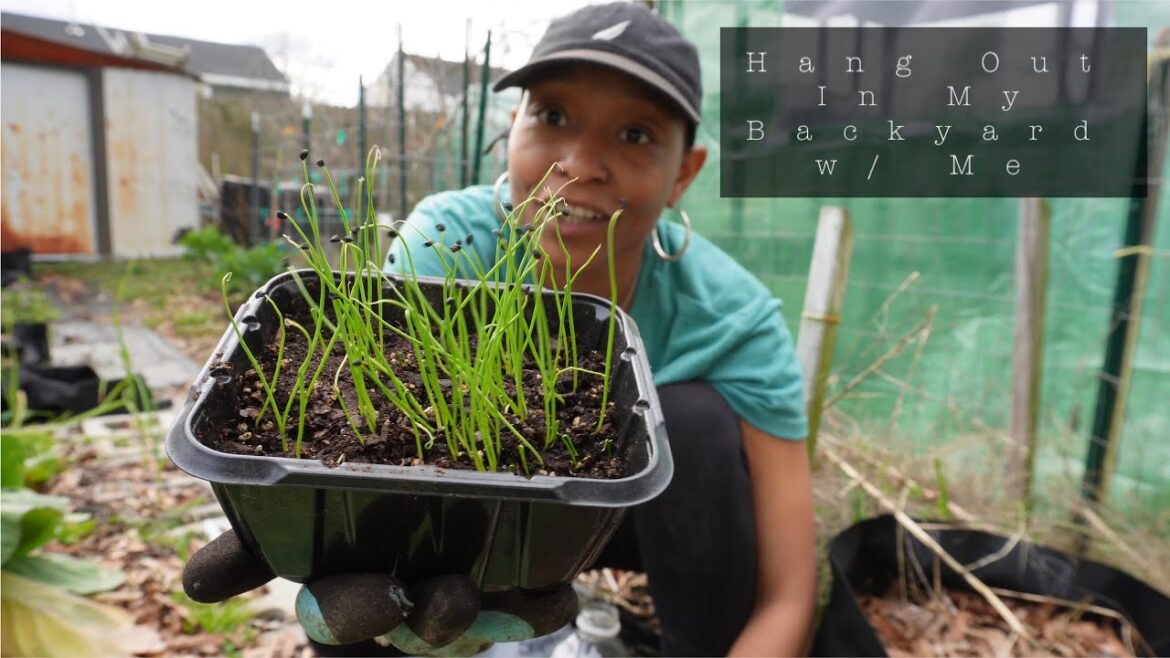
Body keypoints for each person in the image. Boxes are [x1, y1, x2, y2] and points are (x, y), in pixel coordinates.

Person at [182, 3, 816, 656]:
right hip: (473, 519)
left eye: (635, 135)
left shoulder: (735, 317)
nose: (579, 161)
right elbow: (390, 441)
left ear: (685, 173)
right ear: (512, 126)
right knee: (366, 581)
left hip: (645, 517)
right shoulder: (444, 243)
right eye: (553, 116)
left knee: (693, 425)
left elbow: (789, 595)